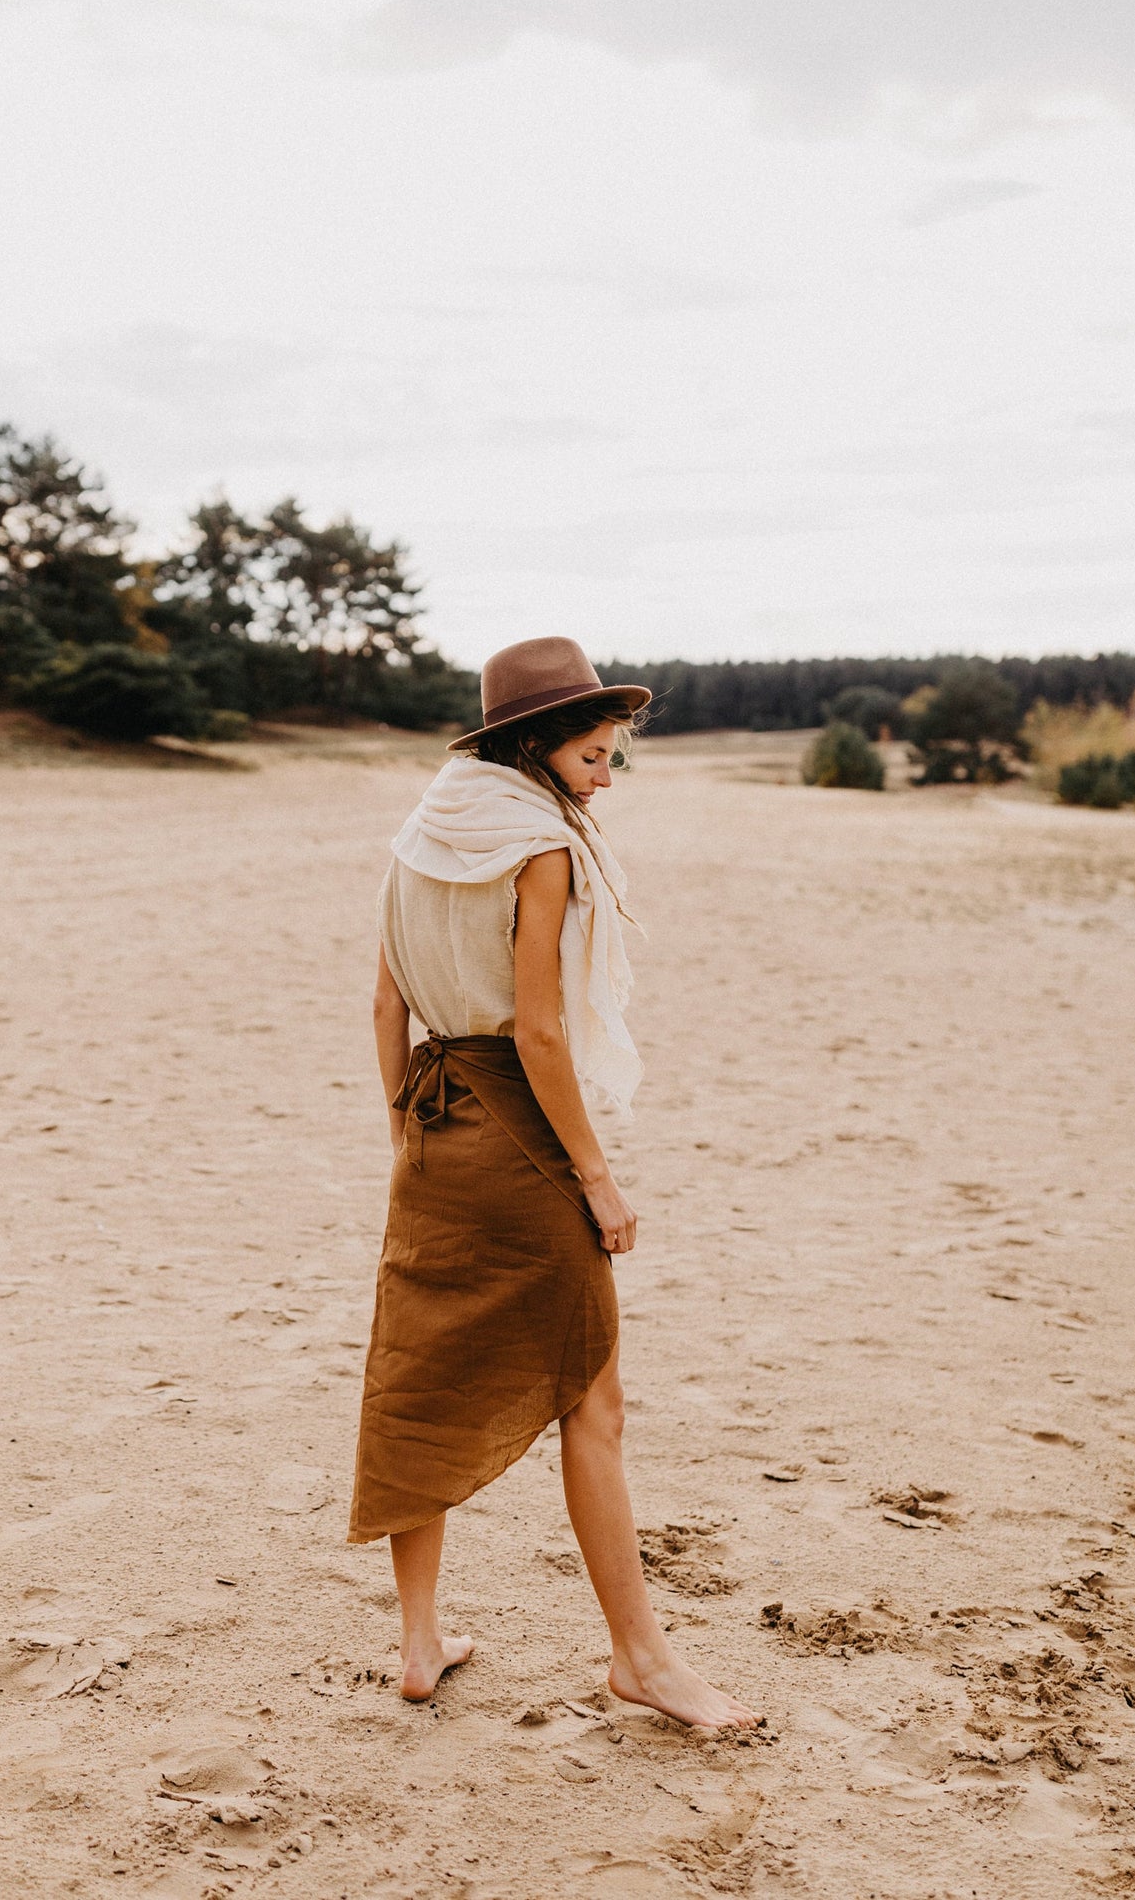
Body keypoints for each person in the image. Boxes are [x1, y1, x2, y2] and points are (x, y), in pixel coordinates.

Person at [348, 635, 760, 1730]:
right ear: (532, 746)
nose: (604, 777)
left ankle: (420, 1637)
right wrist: (598, 1176)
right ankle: (640, 1657)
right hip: (519, 1127)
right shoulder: (539, 850)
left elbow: (385, 1012)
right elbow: (536, 1030)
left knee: (419, 1378)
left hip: (433, 1123)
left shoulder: (418, 836)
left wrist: (406, 1127)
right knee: (593, 1396)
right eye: (589, 757)